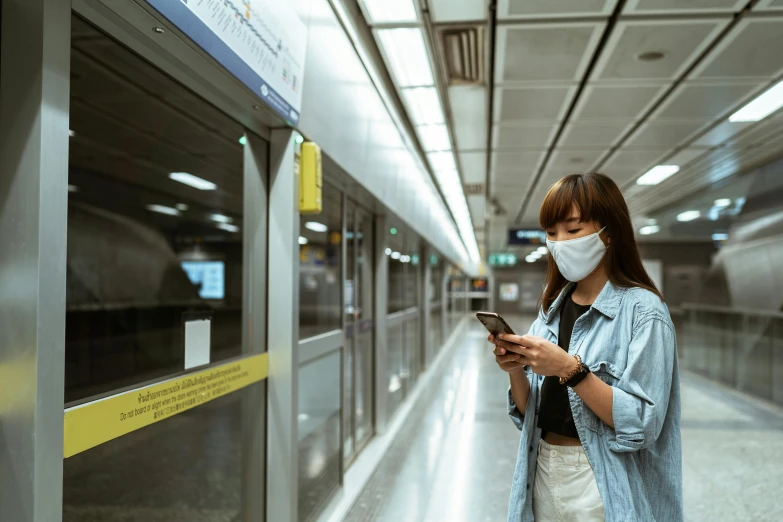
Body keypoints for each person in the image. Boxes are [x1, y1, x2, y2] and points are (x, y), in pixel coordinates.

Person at [489, 172, 682, 522]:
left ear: (608, 232)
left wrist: (569, 369)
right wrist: (516, 369)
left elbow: (643, 423)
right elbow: (530, 411)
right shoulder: (552, 309)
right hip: (542, 467)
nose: (560, 242)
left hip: (601, 477)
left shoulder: (644, 312)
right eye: (551, 233)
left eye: (573, 230)